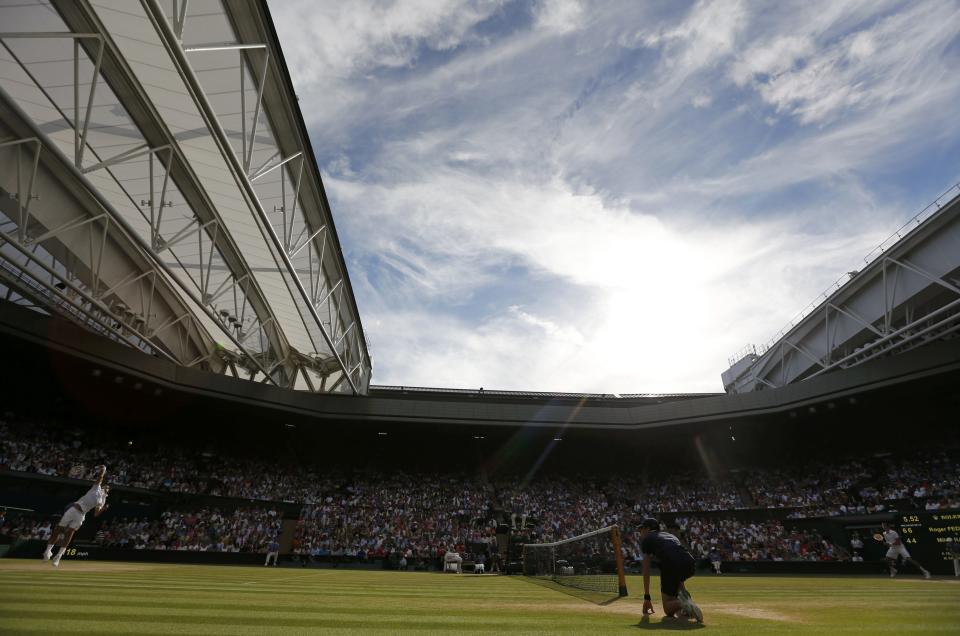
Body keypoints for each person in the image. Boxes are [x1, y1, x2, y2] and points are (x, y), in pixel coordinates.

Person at [43, 464, 109, 567]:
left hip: (81, 515)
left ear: (107, 492)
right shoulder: (96, 488)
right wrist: (103, 469)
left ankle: (58, 557)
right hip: (73, 509)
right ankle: (48, 551)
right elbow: (100, 477)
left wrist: (103, 510)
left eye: (107, 488)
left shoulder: (102, 501)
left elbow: (96, 514)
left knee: (70, 533)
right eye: (105, 486)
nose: (105, 488)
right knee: (58, 529)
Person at [639, 518, 703, 623]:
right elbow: (678, 568)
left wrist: (647, 598)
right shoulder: (670, 536)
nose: (640, 532)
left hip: (670, 564)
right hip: (689, 562)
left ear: (648, 528)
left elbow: (646, 569)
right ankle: (686, 604)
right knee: (676, 582)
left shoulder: (647, 539)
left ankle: (684, 603)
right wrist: (683, 592)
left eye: (641, 529)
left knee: (668, 609)